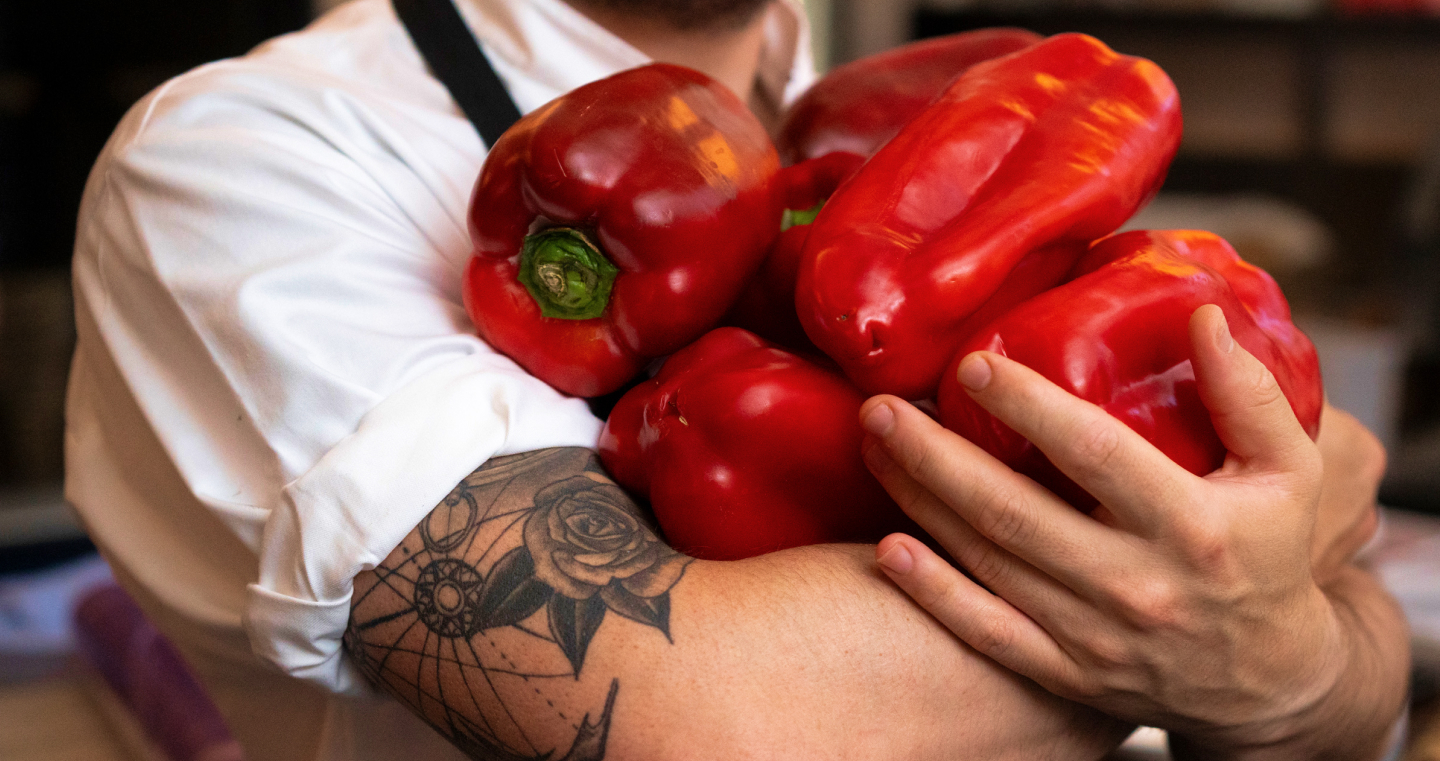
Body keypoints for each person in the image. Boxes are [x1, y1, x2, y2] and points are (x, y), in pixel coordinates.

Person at [62, 0, 1406, 758]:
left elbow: (1361, 676)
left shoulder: (926, 126)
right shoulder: (259, 157)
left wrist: (1294, 668)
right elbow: (705, 722)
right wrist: (1264, 635)